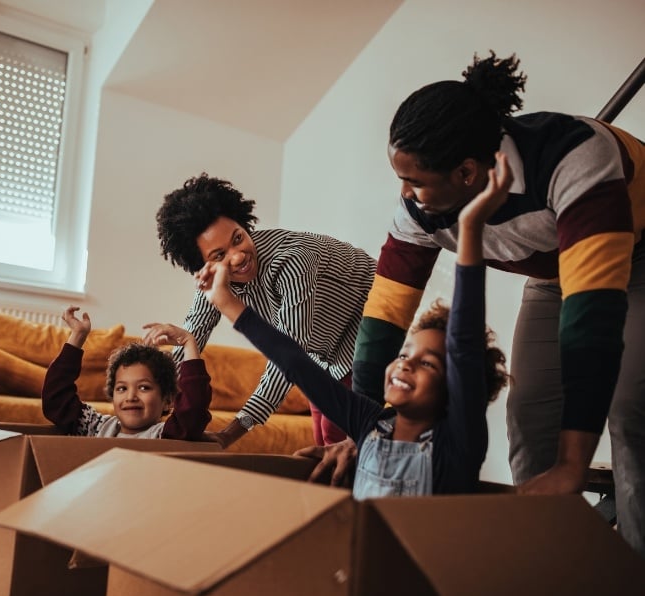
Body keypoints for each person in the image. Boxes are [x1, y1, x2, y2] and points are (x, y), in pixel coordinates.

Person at [344, 51, 645, 550]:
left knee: (631, 405)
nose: (405, 193)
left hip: (635, 257)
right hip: (552, 272)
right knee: (529, 411)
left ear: (466, 173)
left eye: (415, 181)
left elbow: (591, 323)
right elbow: (383, 320)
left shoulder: (575, 158)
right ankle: (542, 555)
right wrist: (363, 438)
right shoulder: (419, 212)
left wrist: (574, 463)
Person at [197, 153, 511, 496]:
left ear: (455, 386)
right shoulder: (367, 423)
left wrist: (470, 229)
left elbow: (464, 342)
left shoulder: (459, 441)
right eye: (405, 354)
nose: (404, 364)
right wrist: (227, 303)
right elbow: (294, 361)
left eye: (427, 363)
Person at [153, 173, 377, 450]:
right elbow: (193, 331)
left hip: (368, 327)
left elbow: (287, 358)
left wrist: (231, 432)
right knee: (321, 438)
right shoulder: (215, 280)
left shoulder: (292, 261)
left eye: (238, 238)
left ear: (244, 224)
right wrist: (154, 390)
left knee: (338, 437)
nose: (237, 256)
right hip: (321, 351)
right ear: (203, 265)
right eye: (219, 255)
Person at [42, 306, 212, 439]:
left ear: (168, 400)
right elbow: (56, 400)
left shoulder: (165, 435)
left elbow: (193, 410)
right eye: (122, 389)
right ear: (112, 395)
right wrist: (77, 336)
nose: (131, 397)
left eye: (144, 388)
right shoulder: (96, 427)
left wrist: (189, 342)